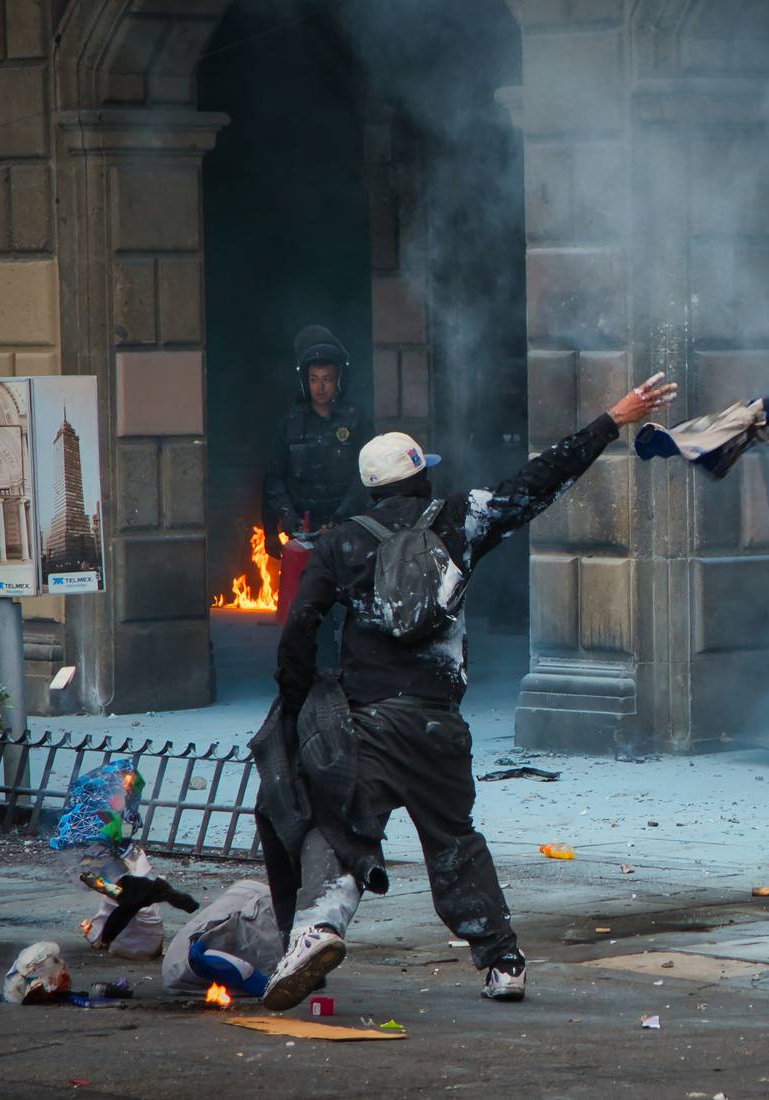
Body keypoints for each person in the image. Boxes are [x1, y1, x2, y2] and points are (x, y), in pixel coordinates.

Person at [261, 373, 677, 1010]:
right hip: (438, 727)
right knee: (454, 839)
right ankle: (503, 961)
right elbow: (538, 482)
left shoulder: (341, 542)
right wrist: (611, 421)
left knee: (338, 826)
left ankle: (318, 928)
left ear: (372, 488)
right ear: (418, 479)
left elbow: (300, 628)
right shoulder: (460, 519)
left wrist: (297, 700)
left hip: (368, 726)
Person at [263, 324, 372, 555]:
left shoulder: (356, 419)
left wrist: (341, 517)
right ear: (305, 381)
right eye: (314, 379)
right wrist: (281, 521)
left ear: (338, 381)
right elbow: (273, 479)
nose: (320, 388)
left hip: (347, 532)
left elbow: (367, 474)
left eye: (327, 379)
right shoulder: (290, 423)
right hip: (302, 532)